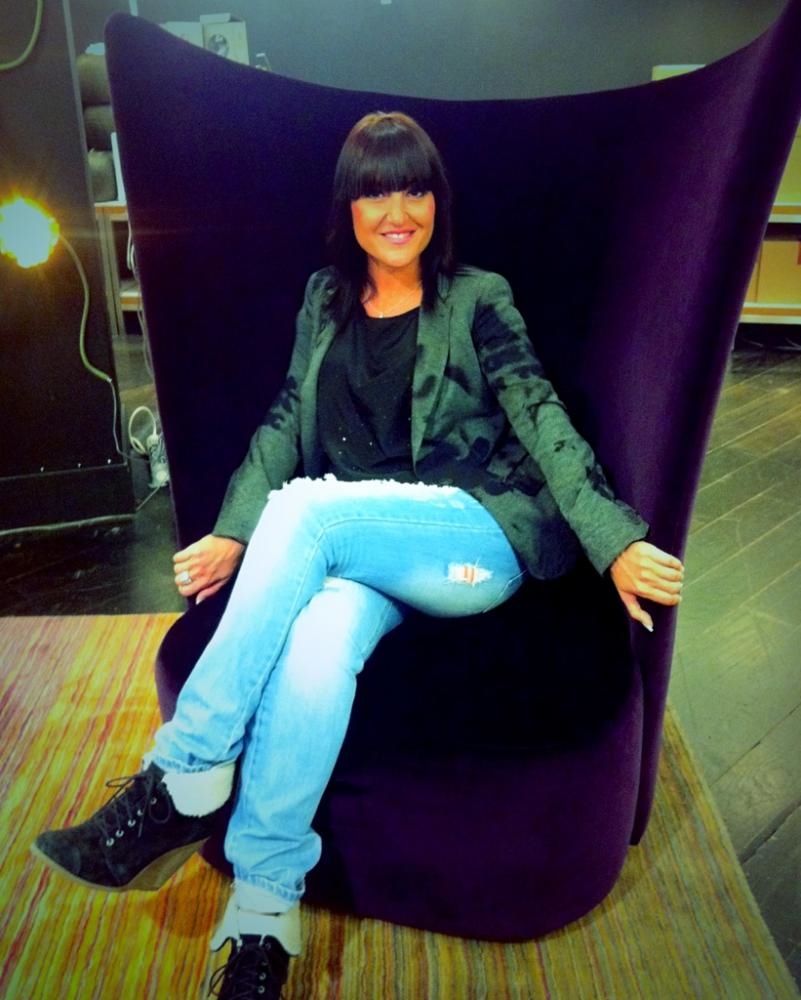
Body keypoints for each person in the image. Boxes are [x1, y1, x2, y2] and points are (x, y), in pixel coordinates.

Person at [32, 111, 684, 998]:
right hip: (361, 551)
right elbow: (284, 418)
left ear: (437, 202)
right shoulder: (325, 301)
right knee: (315, 646)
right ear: (348, 207)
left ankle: (182, 777)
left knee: (304, 511)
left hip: (468, 539)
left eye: (414, 189)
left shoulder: (476, 297)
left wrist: (613, 541)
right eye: (376, 192)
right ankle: (263, 917)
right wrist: (231, 530)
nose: (396, 211)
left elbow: (539, 414)